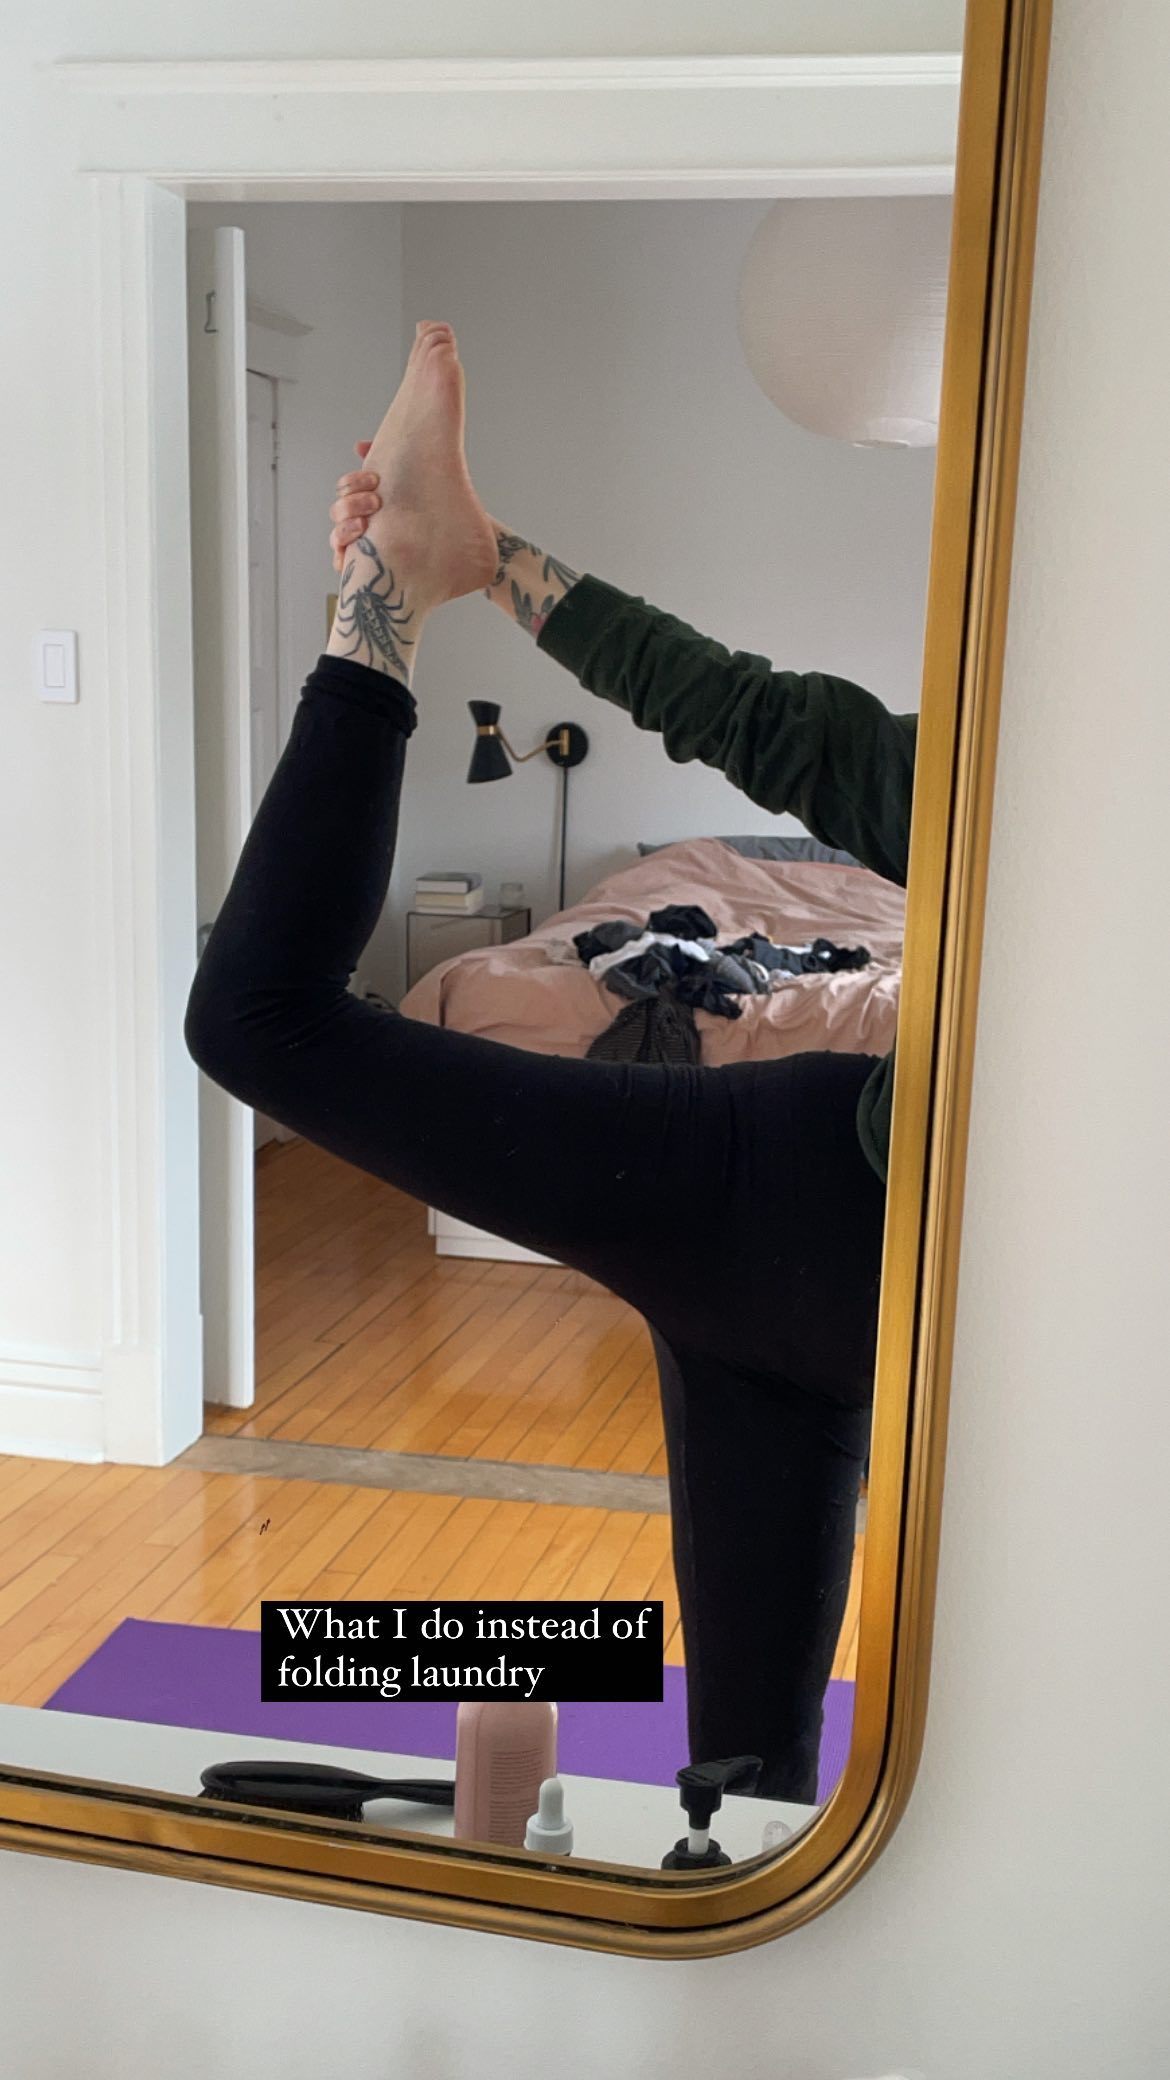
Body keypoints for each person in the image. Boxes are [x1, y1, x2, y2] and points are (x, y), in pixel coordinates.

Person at [186, 321, 916, 1804]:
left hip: (797, 1206)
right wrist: (490, 553)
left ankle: (388, 598)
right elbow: (770, 723)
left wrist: (461, 565)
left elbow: (767, 722)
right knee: (748, 1770)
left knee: (260, 1015)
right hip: (815, 1214)